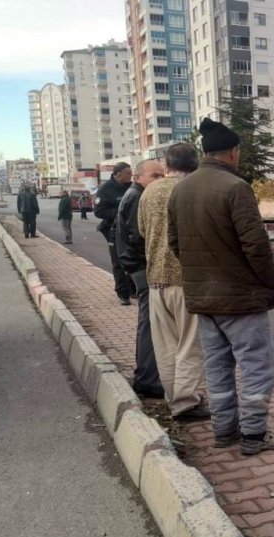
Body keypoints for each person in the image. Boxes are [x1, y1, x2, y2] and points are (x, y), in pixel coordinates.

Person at [168, 117, 274, 456]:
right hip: (241, 299)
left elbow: (176, 244)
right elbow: (256, 246)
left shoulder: (181, 190)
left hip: (204, 299)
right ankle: (253, 435)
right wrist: (266, 285)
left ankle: (224, 431)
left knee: (217, 367)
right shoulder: (236, 188)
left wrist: (201, 273)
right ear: (232, 153)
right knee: (255, 366)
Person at [138, 144, 209, 420]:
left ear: (167, 166)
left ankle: (173, 398)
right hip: (187, 279)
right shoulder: (192, 190)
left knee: (166, 346)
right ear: (196, 165)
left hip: (155, 279)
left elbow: (143, 231)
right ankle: (186, 403)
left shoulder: (150, 191)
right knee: (189, 345)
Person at [117, 159, 166, 399]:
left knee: (148, 323)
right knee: (149, 324)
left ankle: (147, 376)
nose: (160, 181)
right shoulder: (138, 197)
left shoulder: (133, 193)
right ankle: (147, 379)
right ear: (138, 177)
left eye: (162, 175)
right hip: (142, 269)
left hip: (136, 267)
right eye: (155, 176)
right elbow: (140, 237)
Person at [96, 163, 137, 305]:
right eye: (128, 173)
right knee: (119, 262)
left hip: (130, 229)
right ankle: (123, 293)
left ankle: (133, 289)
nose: (130, 176)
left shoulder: (132, 187)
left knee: (134, 259)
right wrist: (120, 213)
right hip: (113, 230)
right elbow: (99, 211)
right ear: (118, 174)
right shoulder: (105, 190)